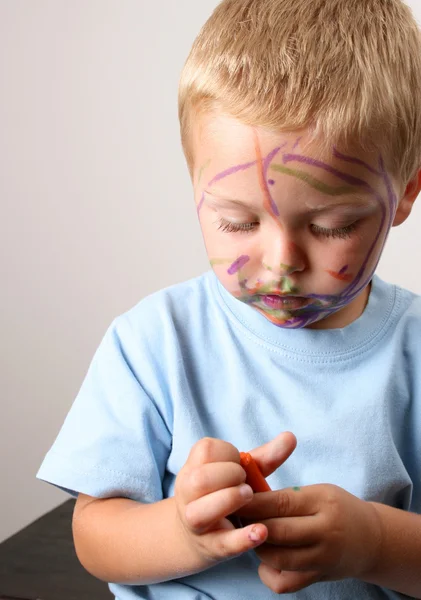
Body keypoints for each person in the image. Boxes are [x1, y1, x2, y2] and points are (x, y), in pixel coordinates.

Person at [37, 0, 421, 598]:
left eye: (331, 226)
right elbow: (95, 538)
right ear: (194, 181)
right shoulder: (154, 343)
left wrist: (374, 541)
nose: (282, 260)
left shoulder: (414, 355)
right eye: (237, 223)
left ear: (405, 194)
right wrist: (183, 532)